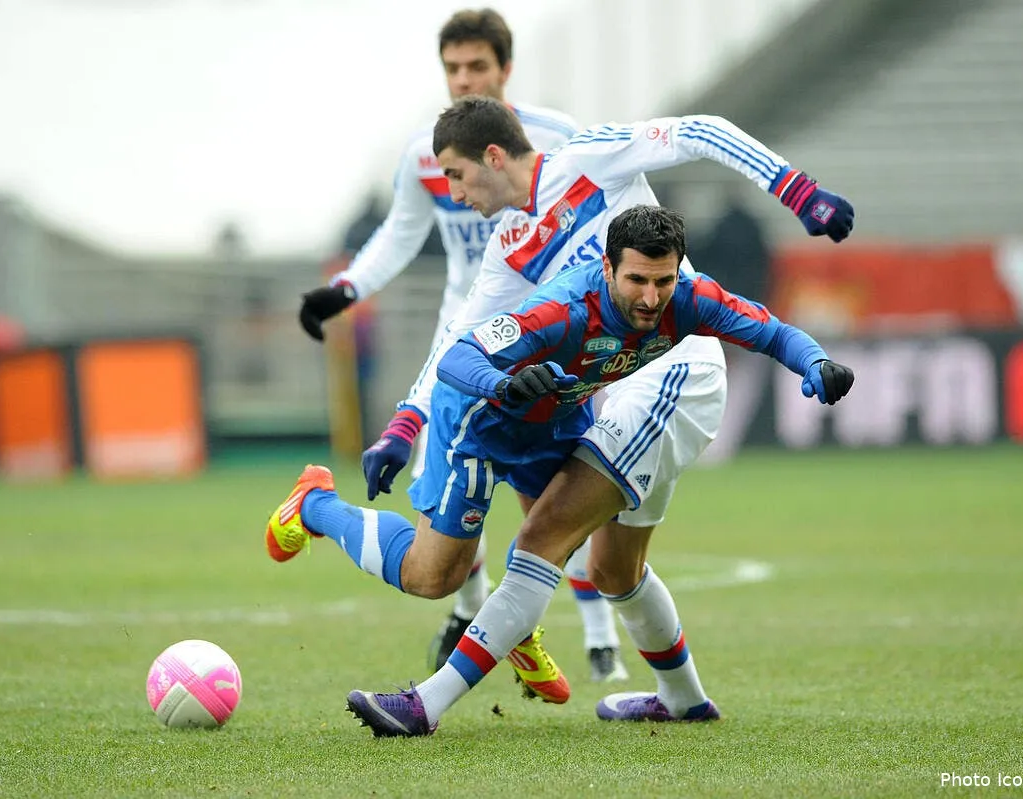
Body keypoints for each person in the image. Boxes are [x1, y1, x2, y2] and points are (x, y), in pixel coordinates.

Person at [324, 95, 852, 735]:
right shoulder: (510, 250)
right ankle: (684, 700)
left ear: (494, 155)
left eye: (456, 176)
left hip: (673, 375)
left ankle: (425, 705)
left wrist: (798, 192)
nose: (453, 193)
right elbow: (459, 342)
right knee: (612, 570)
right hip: (632, 391)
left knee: (541, 537)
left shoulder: (586, 160)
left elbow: (703, 130)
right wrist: (408, 420)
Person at [288, 8, 631, 689]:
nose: (464, 79)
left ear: (506, 69)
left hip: (554, 351)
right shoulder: (428, 154)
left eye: (477, 66)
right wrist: (346, 288)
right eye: (452, 68)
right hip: (470, 353)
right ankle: (489, 620)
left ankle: (587, 639)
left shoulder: (560, 140)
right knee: (445, 546)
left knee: (565, 509)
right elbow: (398, 233)